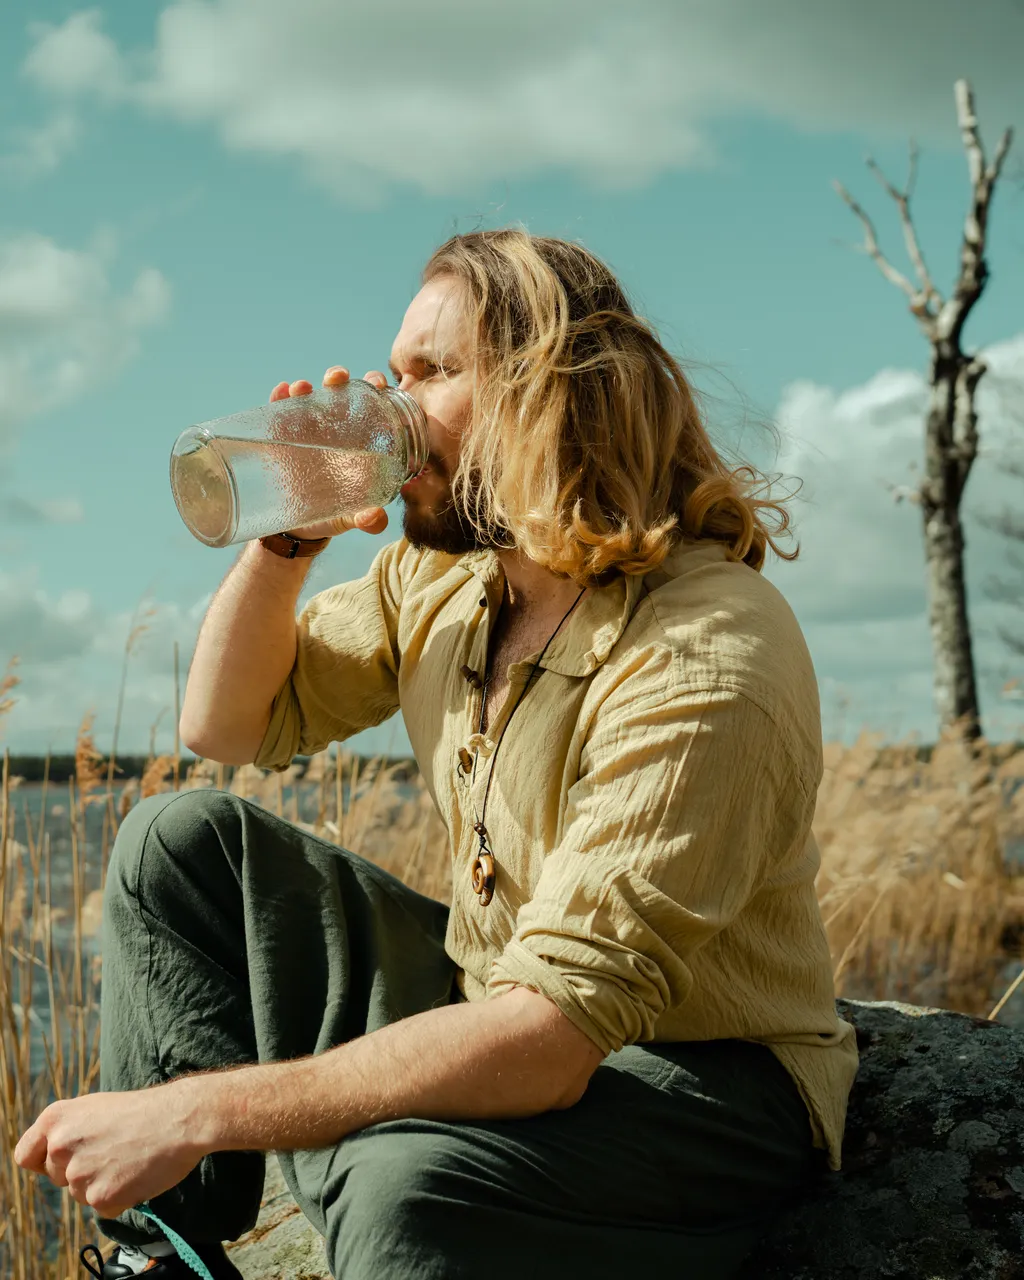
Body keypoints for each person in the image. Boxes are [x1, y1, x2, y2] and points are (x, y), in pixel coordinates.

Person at [17, 228, 858, 1280]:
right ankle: (167, 1257)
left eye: (432, 373)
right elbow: (223, 727)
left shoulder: (705, 654)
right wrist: (285, 538)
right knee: (177, 842)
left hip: (700, 1080)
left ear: (550, 396)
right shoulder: (459, 582)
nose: (392, 405)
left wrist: (198, 1107)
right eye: (393, 371)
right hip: (497, 994)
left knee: (399, 1190)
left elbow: (553, 1036)